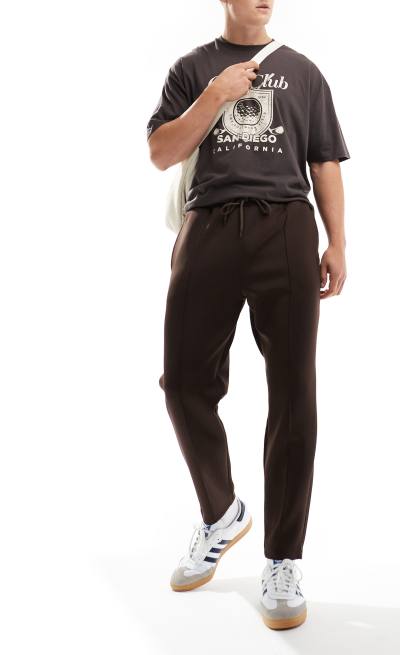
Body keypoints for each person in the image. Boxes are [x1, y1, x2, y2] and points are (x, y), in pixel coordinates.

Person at [146, 0, 350, 630]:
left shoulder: (303, 72)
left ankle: (283, 559)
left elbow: (323, 160)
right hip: (208, 225)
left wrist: (338, 243)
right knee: (183, 382)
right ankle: (222, 513)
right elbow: (160, 152)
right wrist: (214, 96)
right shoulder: (191, 69)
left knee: (293, 391)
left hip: (285, 226)